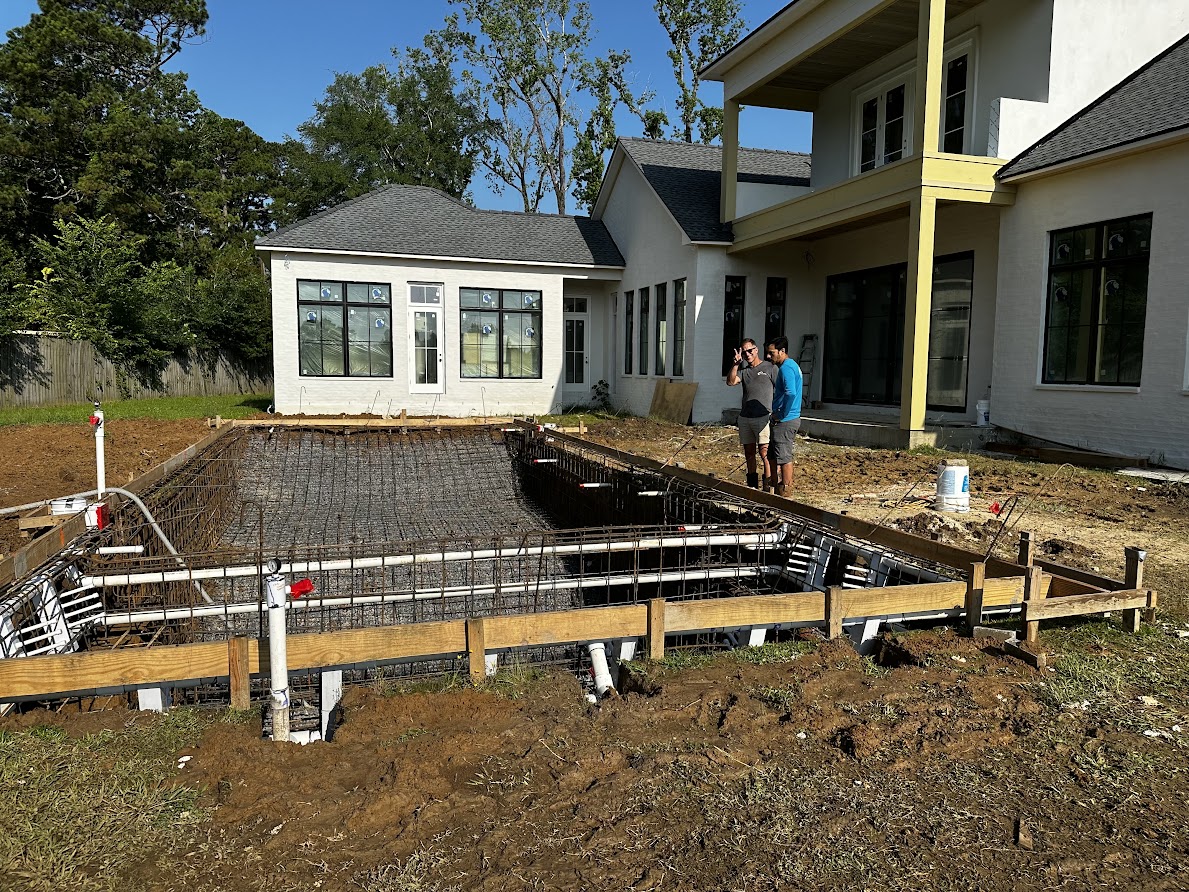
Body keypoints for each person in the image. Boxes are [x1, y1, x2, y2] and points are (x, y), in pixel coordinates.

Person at [726, 337, 776, 490]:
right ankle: (752, 486)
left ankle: (768, 486)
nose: (747, 354)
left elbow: (780, 388)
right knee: (749, 453)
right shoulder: (744, 372)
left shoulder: (770, 368)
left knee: (764, 453)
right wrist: (735, 364)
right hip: (746, 417)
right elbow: (730, 381)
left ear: (756, 350)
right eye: (744, 351)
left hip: (763, 417)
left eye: (750, 350)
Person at [767, 336, 803, 497]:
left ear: (782, 351)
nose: (769, 356)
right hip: (783, 419)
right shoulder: (792, 365)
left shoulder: (787, 368)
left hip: (786, 420)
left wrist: (782, 414)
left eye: (772, 353)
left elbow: (791, 393)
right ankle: (774, 487)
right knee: (773, 454)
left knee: (784, 456)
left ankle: (786, 491)